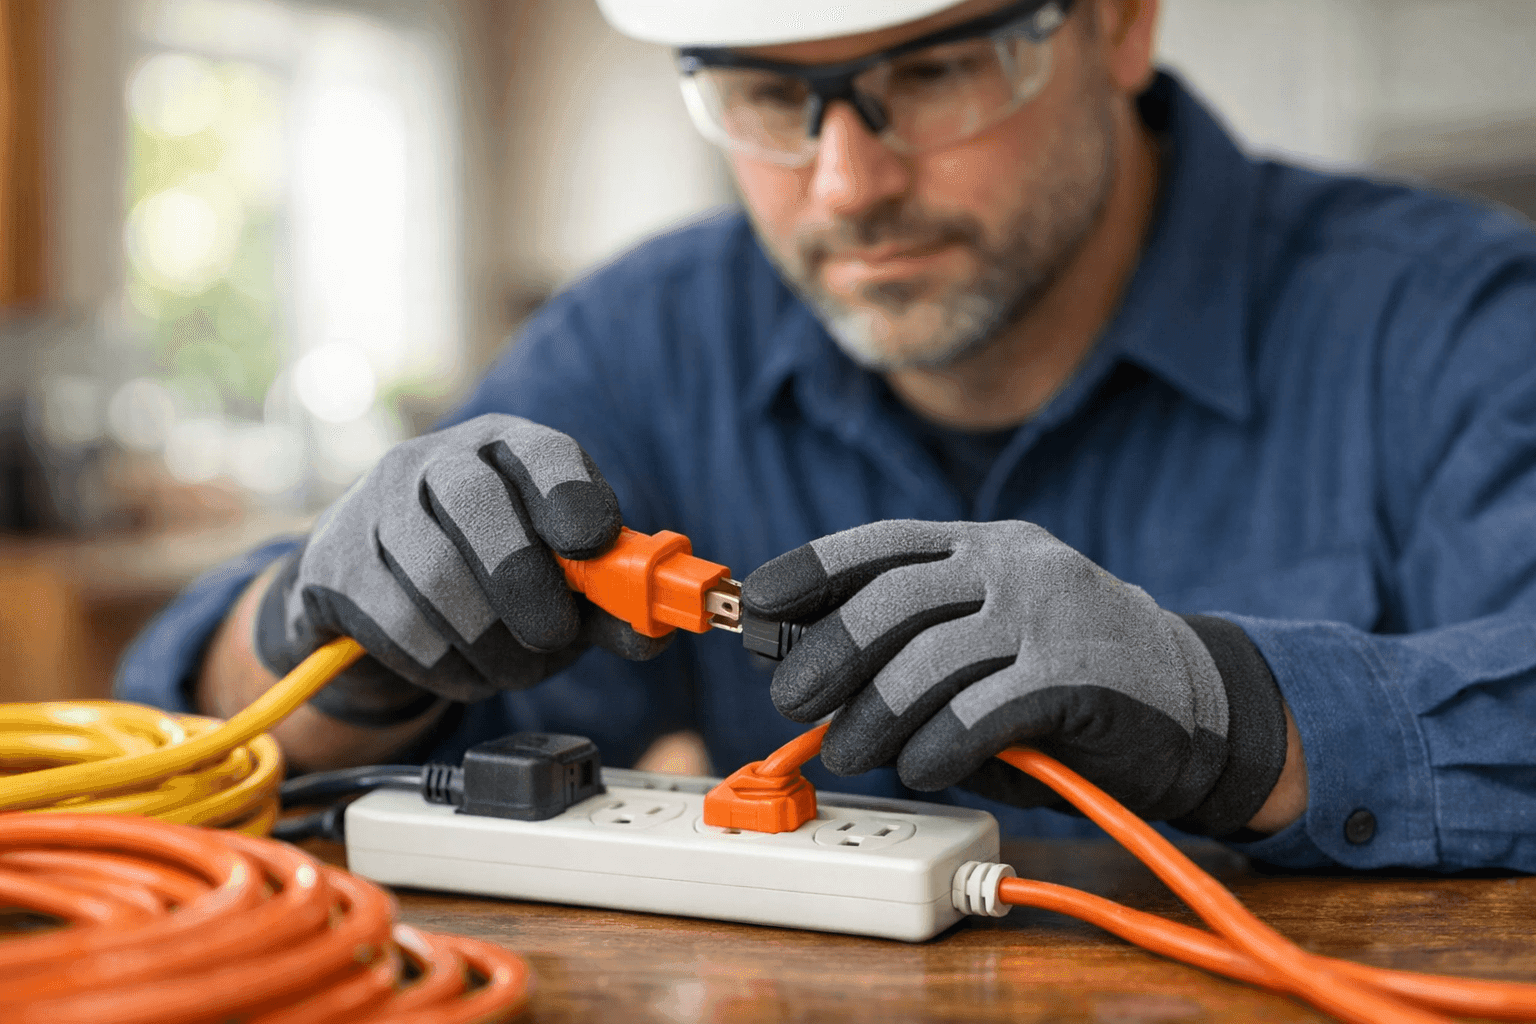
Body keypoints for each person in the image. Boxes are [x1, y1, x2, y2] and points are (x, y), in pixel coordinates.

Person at [118, 0, 1536, 871]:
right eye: (764, 95)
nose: (849, 183)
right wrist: (328, 640)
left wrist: (1238, 716)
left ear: (1117, 20)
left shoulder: (1458, 321)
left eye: (932, 74)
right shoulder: (646, 340)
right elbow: (174, 753)